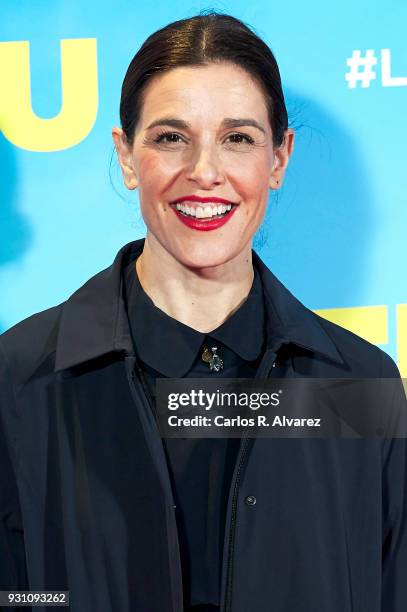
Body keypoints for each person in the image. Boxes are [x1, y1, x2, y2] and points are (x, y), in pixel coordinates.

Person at [0, 10, 406, 612]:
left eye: (237, 138)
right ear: (128, 155)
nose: (205, 173)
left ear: (279, 158)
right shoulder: (21, 379)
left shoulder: (359, 384)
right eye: (171, 138)